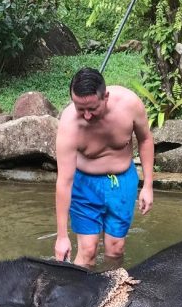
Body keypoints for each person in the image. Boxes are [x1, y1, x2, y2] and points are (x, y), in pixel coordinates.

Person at [55, 67, 154, 268]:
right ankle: (82, 287)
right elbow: (64, 181)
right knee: (88, 251)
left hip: (122, 182)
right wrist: (62, 236)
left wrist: (148, 185)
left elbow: (145, 140)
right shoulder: (69, 124)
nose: (87, 116)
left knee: (116, 249)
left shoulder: (130, 104)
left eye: (92, 108)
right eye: (80, 108)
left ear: (105, 97)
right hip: (84, 185)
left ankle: (114, 285)